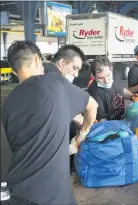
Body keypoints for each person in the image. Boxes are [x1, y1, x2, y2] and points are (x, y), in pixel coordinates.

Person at [1, 40, 98, 205]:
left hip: (17, 192)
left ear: (14, 70)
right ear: (38, 60)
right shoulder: (54, 83)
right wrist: (83, 133)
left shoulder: (8, 103)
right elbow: (92, 106)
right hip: (51, 196)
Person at [88, 56, 138, 121]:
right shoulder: (93, 91)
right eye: (101, 78)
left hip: (121, 117)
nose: (106, 81)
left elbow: (121, 89)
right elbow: (102, 119)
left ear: (111, 69)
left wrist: (131, 96)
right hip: (109, 123)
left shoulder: (116, 75)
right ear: (93, 76)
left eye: (108, 75)